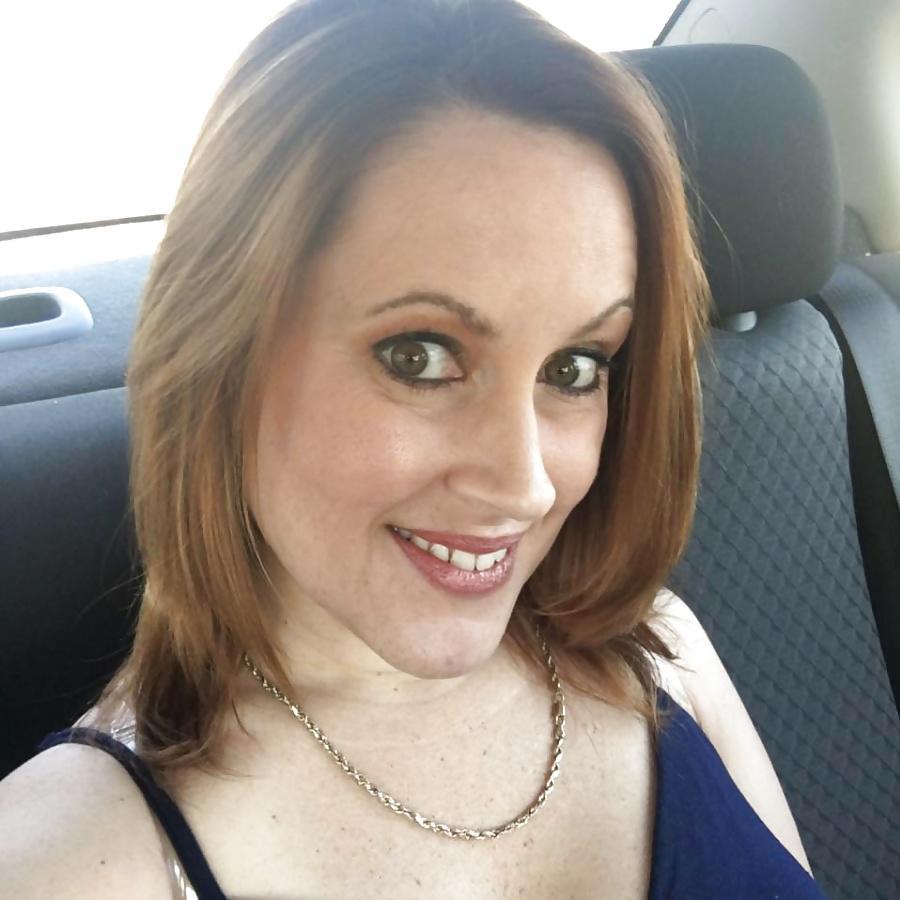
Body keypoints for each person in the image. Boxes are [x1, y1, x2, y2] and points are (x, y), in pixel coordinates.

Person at [0, 1, 829, 897]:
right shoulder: (66, 864)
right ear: (220, 361)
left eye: (575, 367)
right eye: (419, 357)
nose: (524, 485)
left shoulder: (665, 655)